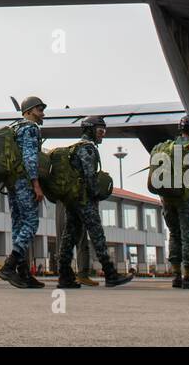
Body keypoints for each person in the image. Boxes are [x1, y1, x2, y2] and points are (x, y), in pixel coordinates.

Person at [54, 115, 132, 289]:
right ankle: (110, 274)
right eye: (100, 131)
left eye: (104, 131)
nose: (102, 134)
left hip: (72, 199)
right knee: (97, 234)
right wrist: (96, 194)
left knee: (68, 237)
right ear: (90, 129)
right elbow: (89, 175)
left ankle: (64, 275)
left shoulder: (75, 147)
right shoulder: (87, 148)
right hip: (84, 200)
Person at [151, 115, 189, 289]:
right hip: (186, 198)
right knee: (188, 236)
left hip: (167, 199)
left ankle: (176, 275)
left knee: (174, 235)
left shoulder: (162, 147)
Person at [0, 95, 46, 290]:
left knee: (18, 225)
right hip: (24, 181)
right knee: (31, 222)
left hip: (11, 182)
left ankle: (24, 273)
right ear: (27, 112)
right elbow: (29, 157)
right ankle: (9, 266)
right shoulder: (30, 128)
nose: (42, 113)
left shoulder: (15, 128)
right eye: (38, 109)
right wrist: (35, 183)